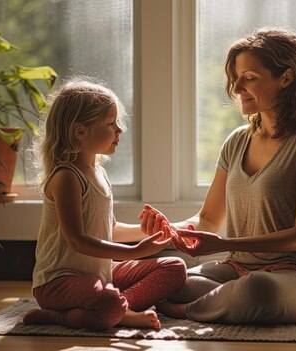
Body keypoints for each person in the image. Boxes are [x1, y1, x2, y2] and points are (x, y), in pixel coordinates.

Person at [142, 27, 296, 324]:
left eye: (249, 78)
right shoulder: (236, 141)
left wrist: (222, 245)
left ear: (286, 78)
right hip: (236, 268)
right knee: (168, 277)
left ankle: (187, 311)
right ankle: (220, 302)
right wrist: (169, 230)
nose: (237, 89)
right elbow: (208, 219)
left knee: (256, 290)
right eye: (236, 78)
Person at [23, 76, 186, 330]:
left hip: (100, 274)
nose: (119, 130)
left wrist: (147, 232)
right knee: (107, 302)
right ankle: (64, 316)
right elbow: (77, 239)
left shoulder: (98, 173)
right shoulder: (66, 177)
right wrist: (134, 251)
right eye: (111, 123)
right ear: (80, 131)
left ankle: (118, 309)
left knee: (174, 266)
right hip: (58, 283)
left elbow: (110, 229)